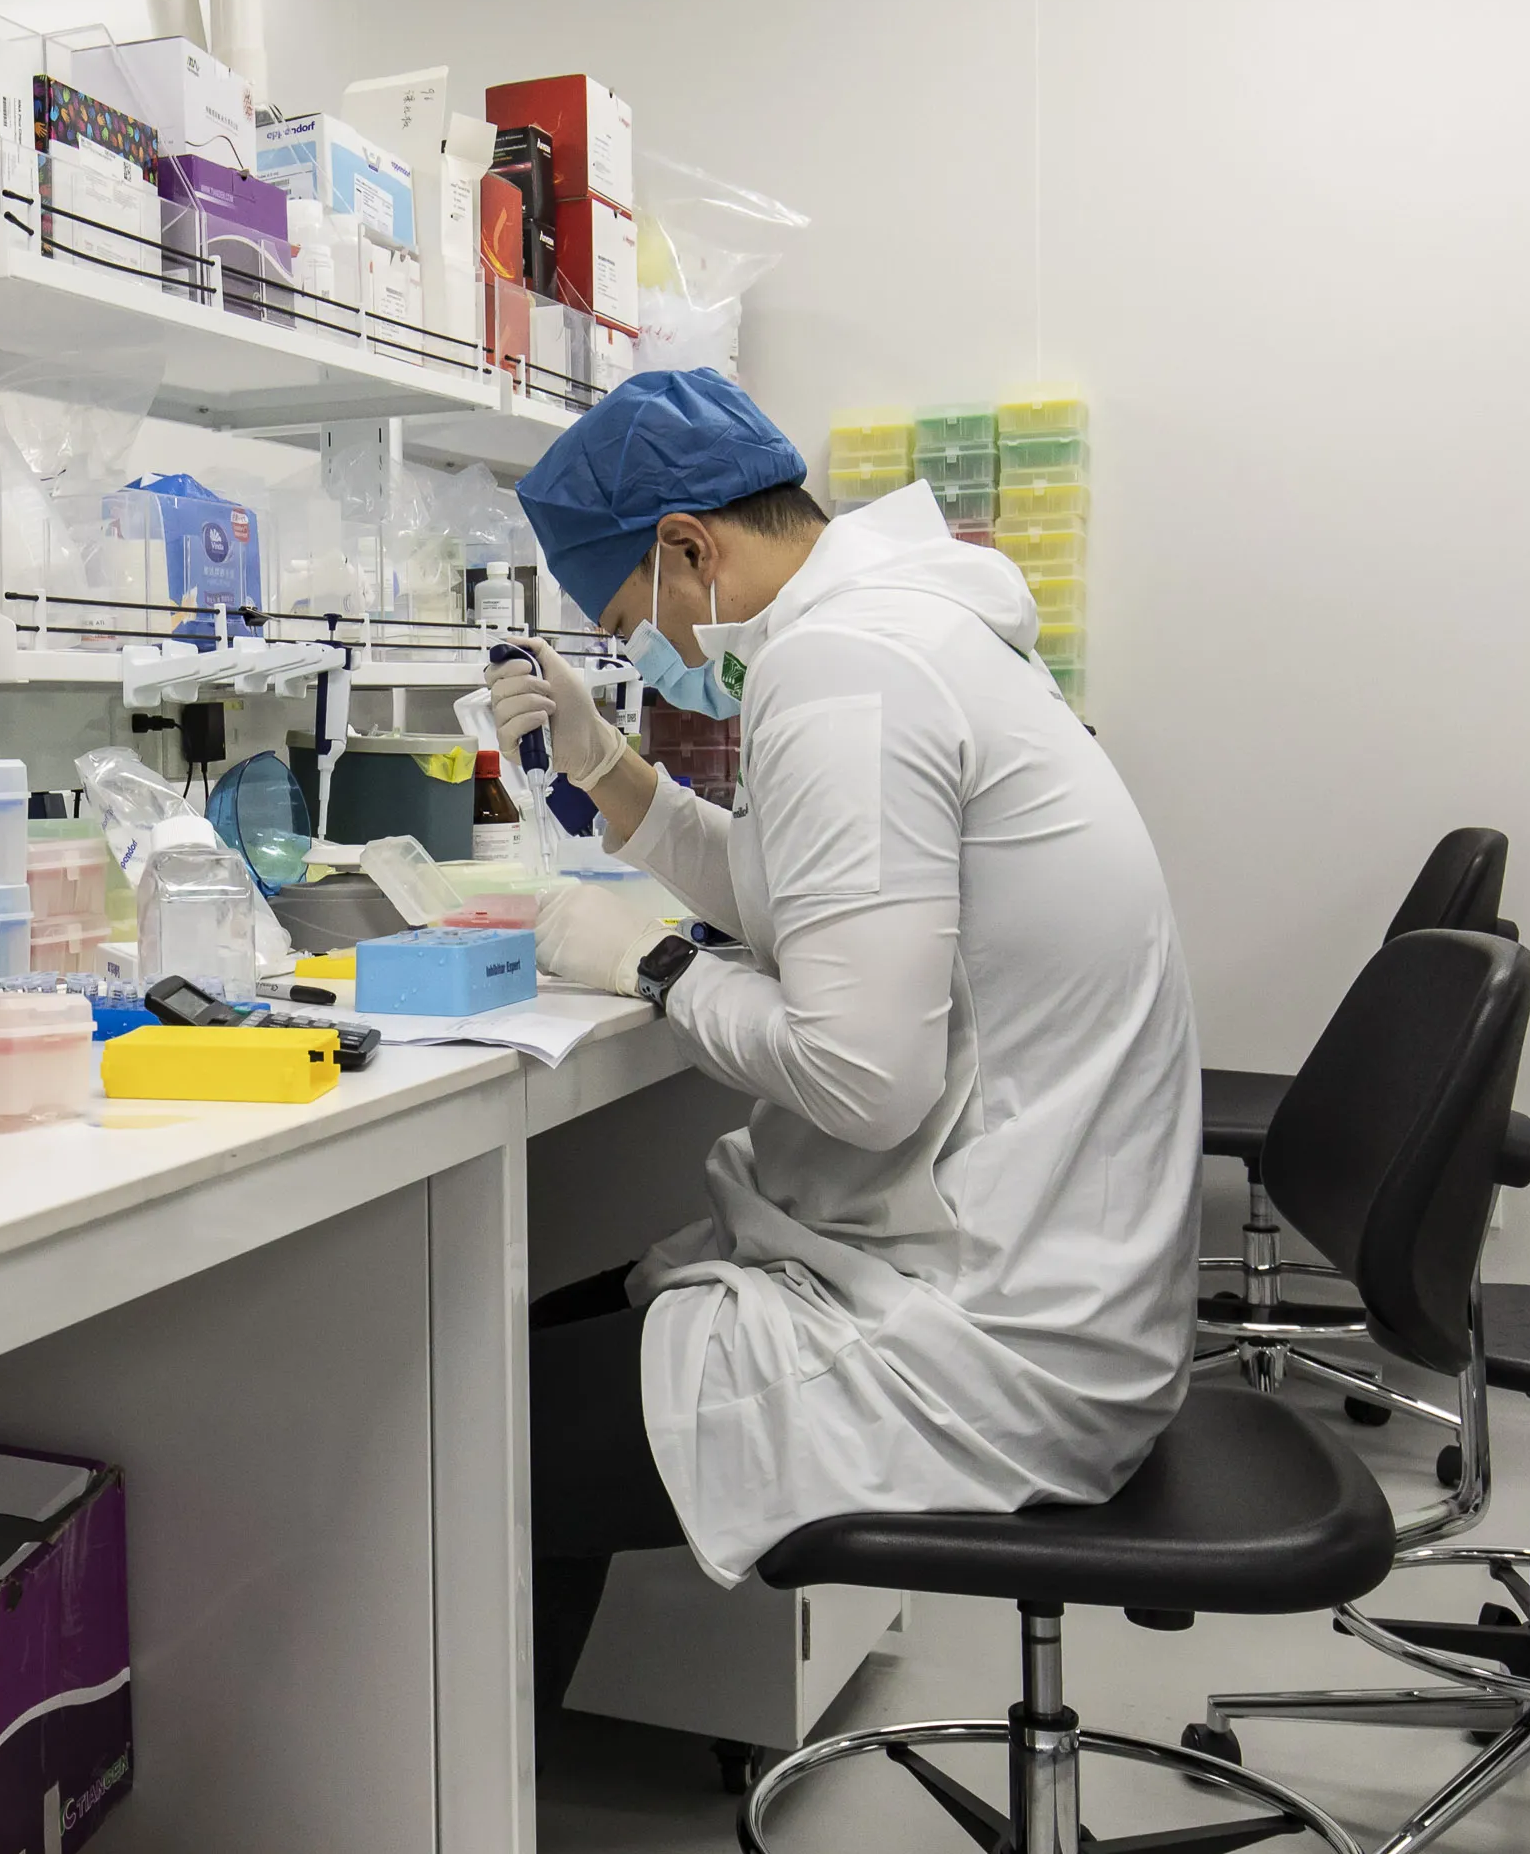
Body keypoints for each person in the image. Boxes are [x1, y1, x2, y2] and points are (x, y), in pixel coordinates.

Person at [490, 371, 1202, 1676]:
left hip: (985, 1347)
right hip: (1056, 1287)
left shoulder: (839, 671)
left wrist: (653, 965)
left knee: (478, 1438)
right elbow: (797, 891)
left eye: (632, 615)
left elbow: (861, 1078)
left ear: (692, 546)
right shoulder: (909, 632)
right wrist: (607, 768)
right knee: (534, 1335)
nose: (644, 653)